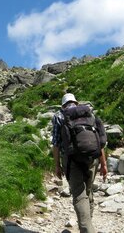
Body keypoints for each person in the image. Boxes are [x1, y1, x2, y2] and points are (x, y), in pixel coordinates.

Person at [52, 93, 107, 233]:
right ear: (76, 102)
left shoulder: (59, 116)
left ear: (62, 105)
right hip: (92, 158)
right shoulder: (89, 113)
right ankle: (88, 225)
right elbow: (100, 141)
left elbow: (56, 144)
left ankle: (87, 230)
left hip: (71, 160)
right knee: (88, 192)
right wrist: (104, 164)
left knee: (79, 195)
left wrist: (57, 165)